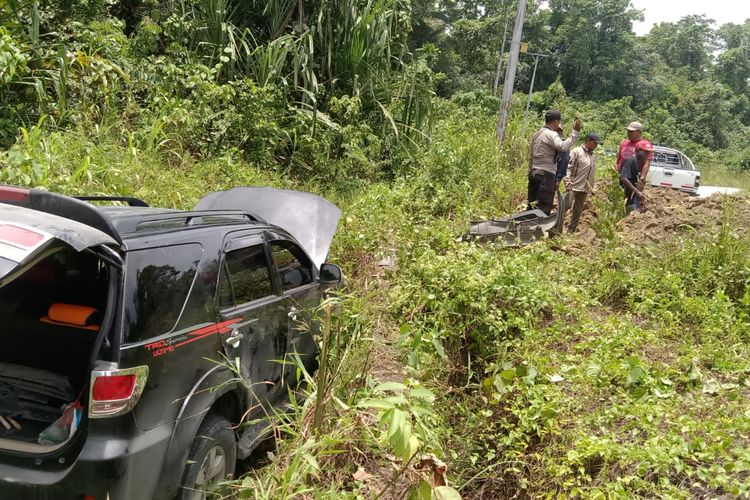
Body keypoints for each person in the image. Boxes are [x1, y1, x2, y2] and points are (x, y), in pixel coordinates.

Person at [528, 110, 582, 215]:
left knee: (532, 204)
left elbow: (531, 156)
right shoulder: (551, 134)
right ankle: (538, 228)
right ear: (556, 122)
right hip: (546, 174)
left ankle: (525, 227)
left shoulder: (537, 134)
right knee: (543, 206)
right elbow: (563, 147)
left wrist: (530, 170)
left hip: (534, 172)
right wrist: (575, 132)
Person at [564, 133, 602, 232]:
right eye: (594, 143)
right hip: (573, 185)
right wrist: (567, 182)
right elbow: (568, 167)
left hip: (585, 187)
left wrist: (592, 186)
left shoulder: (592, 155)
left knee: (578, 210)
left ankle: (572, 229)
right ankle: (556, 227)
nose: (596, 146)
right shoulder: (576, 152)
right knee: (566, 206)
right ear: (588, 141)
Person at [616, 121, 654, 190]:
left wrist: (642, 179)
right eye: (628, 131)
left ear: (639, 132)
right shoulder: (624, 143)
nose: (628, 133)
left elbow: (647, 163)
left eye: (631, 132)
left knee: (633, 196)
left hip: (634, 177)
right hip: (623, 175)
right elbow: (619, 160)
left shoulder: (644, 145)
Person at [619, 140, 654, 212]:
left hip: (632, 194)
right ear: (639, 151)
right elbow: (623, 178)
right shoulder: (630, 160)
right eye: (646, 152)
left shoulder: (640, 162)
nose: (648, 154)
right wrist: (637, 192)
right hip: (625, 194)